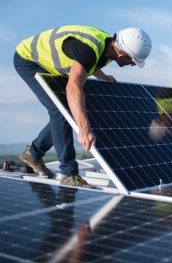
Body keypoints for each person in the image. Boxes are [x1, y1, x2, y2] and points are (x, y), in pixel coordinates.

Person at [14, 25, 152, 188]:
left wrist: (103, 76)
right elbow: (73, 87)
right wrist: (84, 130)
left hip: (49, 64)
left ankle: (33, 153)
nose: (132, 64)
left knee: (73, 109)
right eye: (132, 60)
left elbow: (90, 63)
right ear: (122, 53)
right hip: (29, 60)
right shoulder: (88, 49)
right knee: (60, 111)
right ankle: (69, 174)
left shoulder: (109, 46)